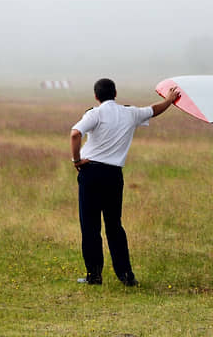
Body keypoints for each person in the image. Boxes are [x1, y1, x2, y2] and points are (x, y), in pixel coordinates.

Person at [70, 78, 180, 286]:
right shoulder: (130, 113)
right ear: (116, 93)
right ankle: (126, 275)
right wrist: (169, 100)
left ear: (96, 96)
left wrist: (76, 160)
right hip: (113, 175)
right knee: (114, 226)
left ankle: (94, 275)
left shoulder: (94, 113)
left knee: (90, 226)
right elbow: (153, 110)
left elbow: (75, 133)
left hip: (90, 172)